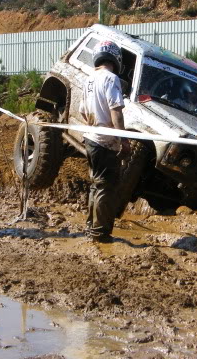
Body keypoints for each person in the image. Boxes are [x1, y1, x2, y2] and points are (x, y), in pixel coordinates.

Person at [79, 41, 131, 243]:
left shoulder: (89, 79)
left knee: (96, 184)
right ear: (115, 59)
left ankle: (90, 227)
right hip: (105, 141)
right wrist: (123, 140)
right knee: (106, 186)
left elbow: (83, 111)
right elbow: (116, 110)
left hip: (90, 138)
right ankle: (100, 233)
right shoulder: (111, 79)